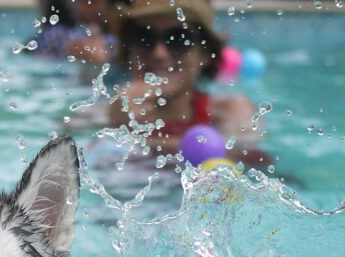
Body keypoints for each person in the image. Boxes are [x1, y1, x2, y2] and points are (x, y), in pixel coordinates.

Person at [109, 0, 269, 167]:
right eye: (144, 38)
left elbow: (249, 160)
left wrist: (126, 141)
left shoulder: (228, 111)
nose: (159, 54)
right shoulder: (106, 113)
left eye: (178, 38)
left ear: (205, 54)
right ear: (128, 52)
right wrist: (118, 123)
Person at [33, 0, 119, 64]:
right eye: (84, 2)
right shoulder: (57, 35)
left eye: (93, 2)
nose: (86, 7)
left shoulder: (116, 38)